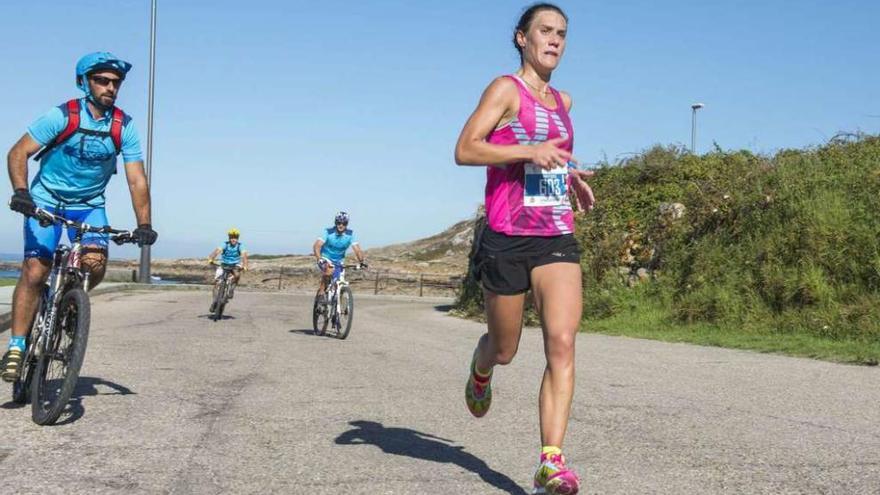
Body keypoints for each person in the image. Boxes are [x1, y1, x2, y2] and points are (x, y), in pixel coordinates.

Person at [453, 4, 595, 494]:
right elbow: (466, 149)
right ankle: (481, 366)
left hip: (555, 233)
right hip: (507, 237)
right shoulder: (504, 90)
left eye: (562, 34)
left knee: (561, 341)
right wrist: (527, 151)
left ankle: (550, 462)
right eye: (544, 31)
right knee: (506, 348)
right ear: (521, 38)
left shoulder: (563, 102)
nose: (554, 41)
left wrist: (566, 174)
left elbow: (547, 155)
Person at [2, 52, 157, 382]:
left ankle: (70, 304)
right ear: (85, 82)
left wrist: (144, 224)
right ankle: (16, 345)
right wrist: (21, 192)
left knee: (96, 264)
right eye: (102, 80)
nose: (110, 87)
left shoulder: (123, 127)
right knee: (35, 268)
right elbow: (18, 152)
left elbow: (136, 178)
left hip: (89, 204)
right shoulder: (63, 115)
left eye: (115, 82)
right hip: (46, 201)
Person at [312, 211, 367, 305]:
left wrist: (361, 261)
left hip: (339, 261)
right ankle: (321, 291)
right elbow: (317, 246)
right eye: (338, 223)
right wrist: (319, 258)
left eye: (344, 223)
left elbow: (357, 250)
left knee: (339, 283)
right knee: (329, 271)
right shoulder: (328, 232)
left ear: (347, 224)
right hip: (325, 257)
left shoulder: (350, 235)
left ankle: (336, 310)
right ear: (335, 222)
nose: (341, 225)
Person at [207, 228, 249, 310]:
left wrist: (245, 265)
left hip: (235, 264)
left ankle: (232, 289)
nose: (233, 239)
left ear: (238, 238)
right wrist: (211, 258)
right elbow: (216, 251)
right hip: (224, 264)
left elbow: (244, 256)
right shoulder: (225, 244)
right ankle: (214, 302)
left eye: (235, 237)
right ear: (229, 238)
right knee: (216, 283)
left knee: (237, 275)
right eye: (232, 237)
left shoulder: (240, 246)